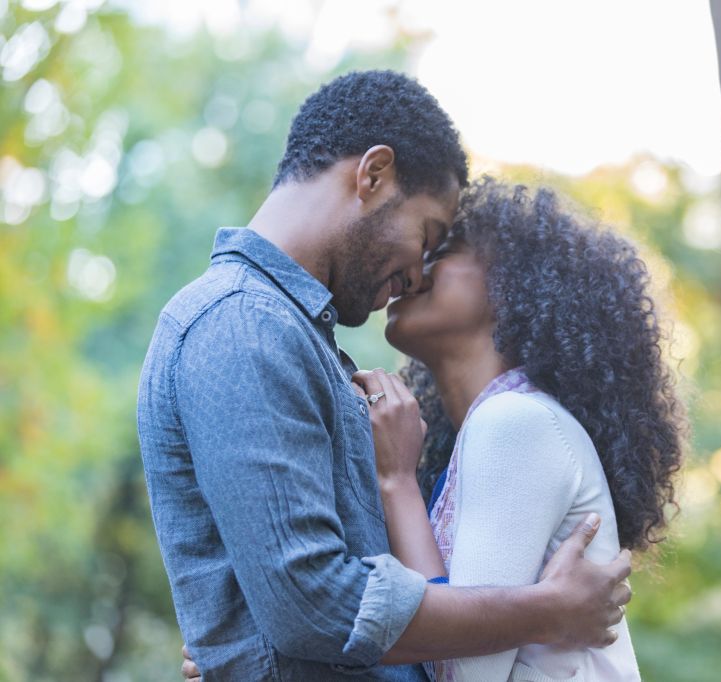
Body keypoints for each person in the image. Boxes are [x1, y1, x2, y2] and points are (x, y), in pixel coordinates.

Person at [138, 70, 630, 682]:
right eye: (428, 235)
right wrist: (545, 611)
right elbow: (313, 603)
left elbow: (301, 611)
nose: (419, 273)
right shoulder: (243, 323)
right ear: (372, 174)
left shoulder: (294, 339)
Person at [354, 178, 688, 680]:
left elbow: (457, 670)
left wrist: (396, 480)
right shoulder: (494, 430)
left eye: (442, 248)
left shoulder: (517, 420)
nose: (414, 263)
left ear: (513, 279)